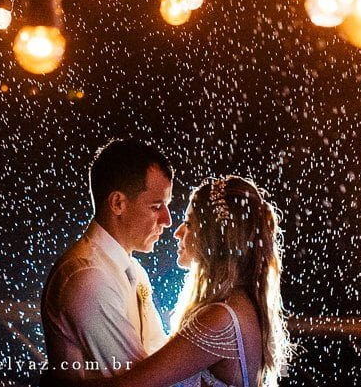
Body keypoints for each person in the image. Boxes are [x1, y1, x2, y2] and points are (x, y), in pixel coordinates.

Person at [55, 175, 290, 387]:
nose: (177, 231)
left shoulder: (221, 320)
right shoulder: (239, 305)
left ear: (212, 236)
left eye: (188, 223)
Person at [41, 139, 174, 378]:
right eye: (156, 206)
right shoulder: (88, 278)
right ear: (118, 203)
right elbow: (139, 379)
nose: (167, 220)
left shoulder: (132, 269)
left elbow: (156, 350)